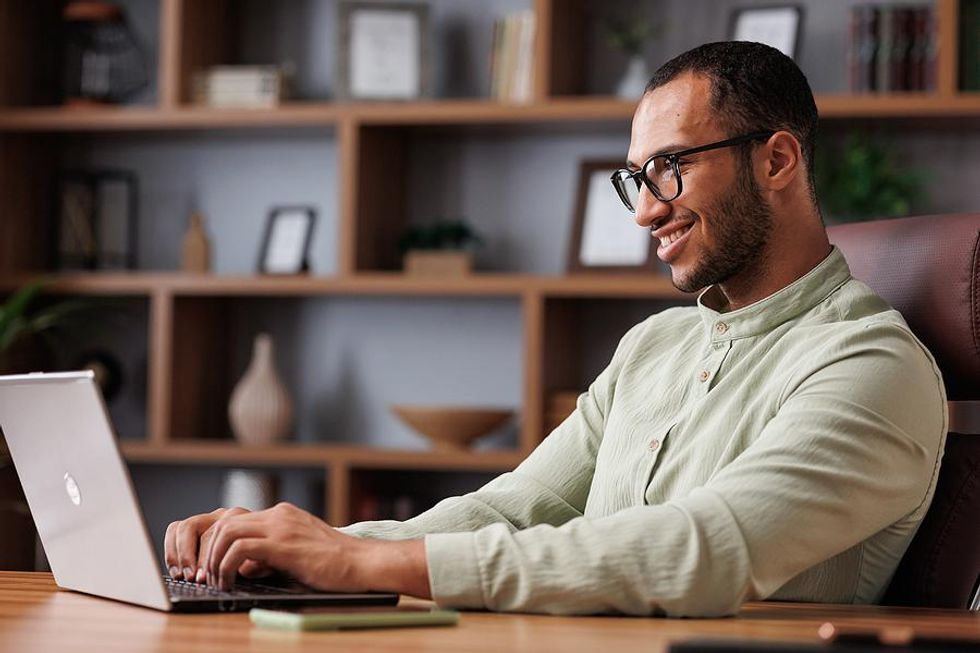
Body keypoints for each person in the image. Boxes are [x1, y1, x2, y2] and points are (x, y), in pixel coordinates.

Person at [163, 42, 946, 617]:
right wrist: (299, 548)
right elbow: (510, 508)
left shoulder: (872, 364)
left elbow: (696, 551)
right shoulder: (654, 346)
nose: (644, 209)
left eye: (671, 167)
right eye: (636, 179)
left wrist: (357, 559)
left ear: (777, 160)